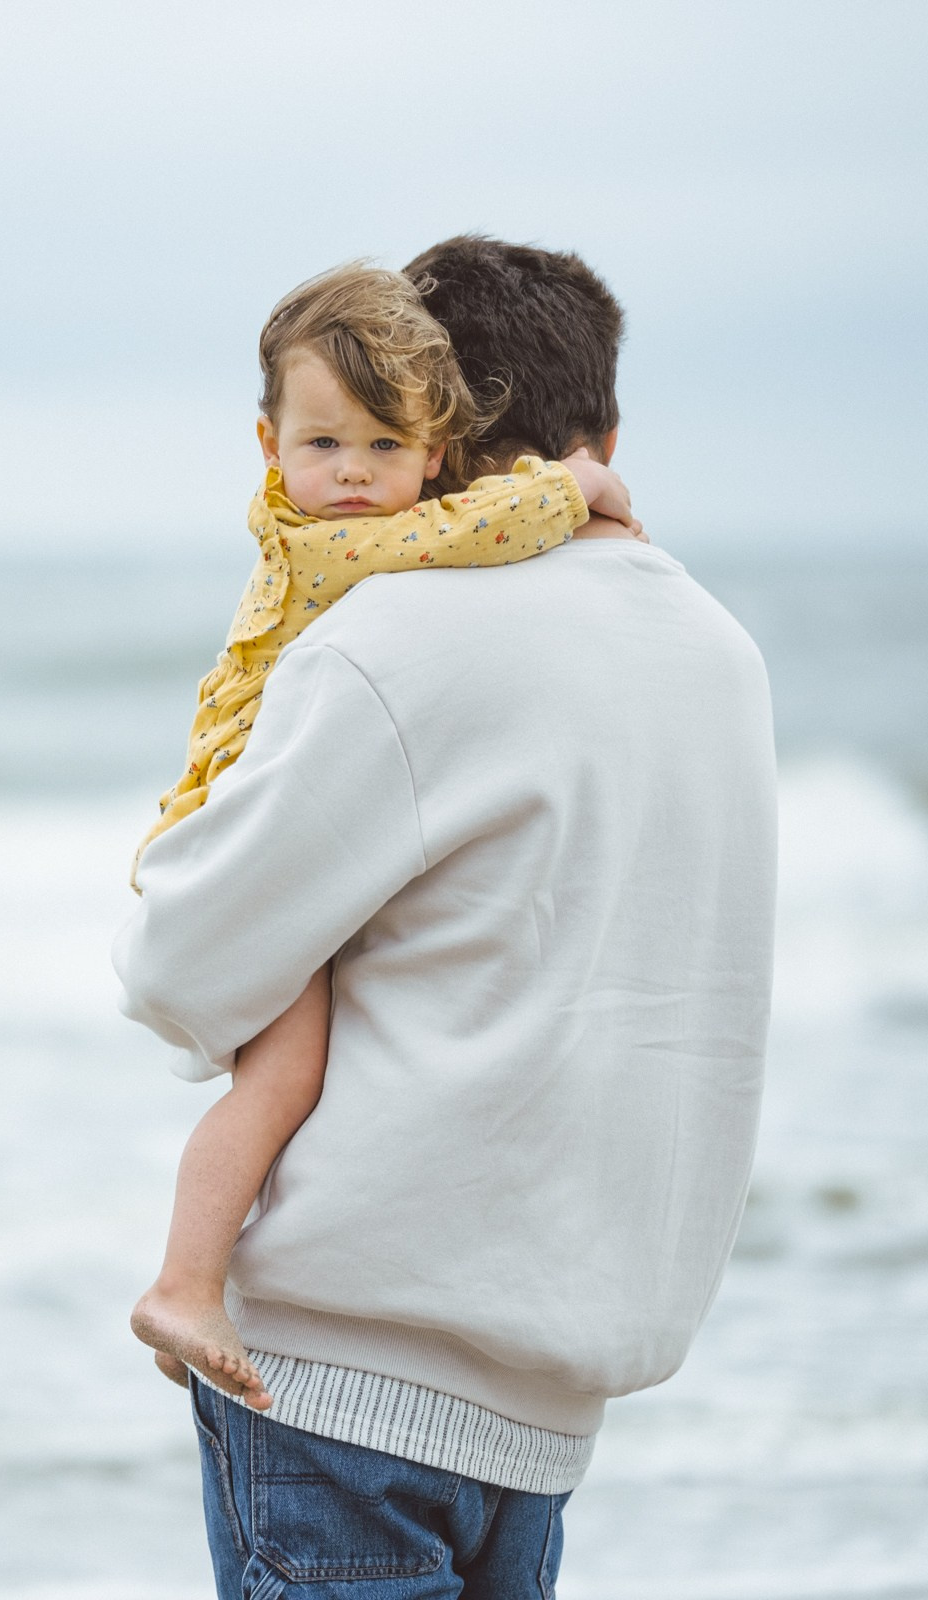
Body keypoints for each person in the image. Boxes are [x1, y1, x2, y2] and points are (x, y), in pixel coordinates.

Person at [113, 235, 776, 1595]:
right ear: (603, 430)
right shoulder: (724, 656)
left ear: (440, 429)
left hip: (341, 1386)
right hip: (554, 1391)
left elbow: (180, 960)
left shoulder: (394, 639)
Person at [127, 261, 641, 1411]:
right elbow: (481, 526)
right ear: (269, 445)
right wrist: (578, 491)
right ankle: (185, 1279)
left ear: (436, 446)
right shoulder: (341, 549)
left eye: (381, 446)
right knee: (285, 1071)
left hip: (253, 810)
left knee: (287, 1067)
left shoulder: (333, 526)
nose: (353, 477)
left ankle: (194, 1280)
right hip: (226, 818)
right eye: (323, 447)